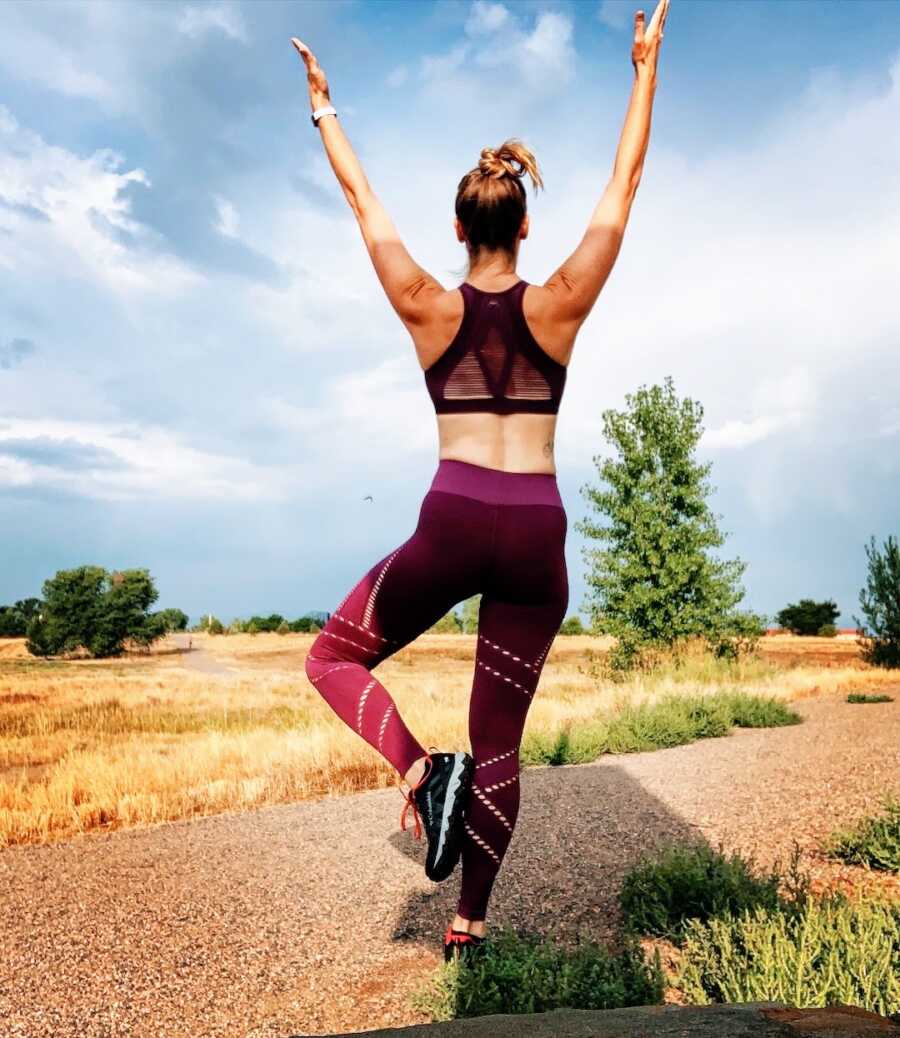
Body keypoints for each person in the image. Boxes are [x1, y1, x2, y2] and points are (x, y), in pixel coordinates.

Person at [291, 0, 668, 964]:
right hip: (536, 529)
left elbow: (361, 205)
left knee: (331, 658)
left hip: (454, 518)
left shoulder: (425, 305)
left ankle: (420, 769)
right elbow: (624, 187)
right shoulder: (560, 305)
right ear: (526, 225)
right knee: (498, 740)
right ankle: (470, 924)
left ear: (458, 228)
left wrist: (325, 111)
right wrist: (643, 69)